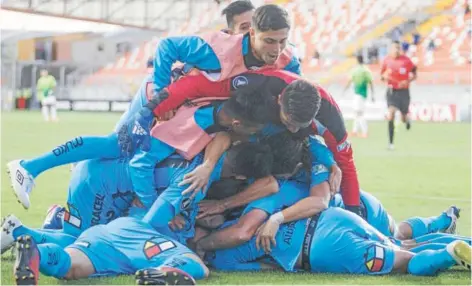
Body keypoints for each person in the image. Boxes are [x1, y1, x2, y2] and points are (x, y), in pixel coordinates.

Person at [1, 140, 274, 252]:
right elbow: (150, 223)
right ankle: (18, 231)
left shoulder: (208, 148)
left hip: (98, 169)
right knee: (79, 243)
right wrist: (171, 226)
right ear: (240, 177)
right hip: (99, 187)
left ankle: (53, 219)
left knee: (80, 233)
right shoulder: (197, 181)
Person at [205, 208, 471, 276]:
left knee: (405, 262)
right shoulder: (250, 204)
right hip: (335, 217)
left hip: (324, 248)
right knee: (401, 242)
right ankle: (464, 242)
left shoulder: (218, 256)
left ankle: (450, 253)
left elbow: (269, 269)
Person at [381, 41, 417, 150]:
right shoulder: (386, 60)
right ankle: (391, 143)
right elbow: (382, 75)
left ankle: (407, 119)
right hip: (392, 92)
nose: (396, 50)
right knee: (391, 114)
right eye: (394, 48)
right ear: (391, 49)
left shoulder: (407, 61)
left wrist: (407, 81)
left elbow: (414, 73)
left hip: (404, 92)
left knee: (403, 117)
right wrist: (385, 77)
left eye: (398, 48)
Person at [343, 55, 374, 137]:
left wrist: (344, 90)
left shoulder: (355, 70)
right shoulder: (366, 70)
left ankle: (365, 132)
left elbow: (349, 81)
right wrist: (373, 94)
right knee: (356, 113)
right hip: (363, 94)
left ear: (357, 60)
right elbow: (371, 82)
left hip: (357, 94)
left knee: (359, 113)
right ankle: (355, 131)